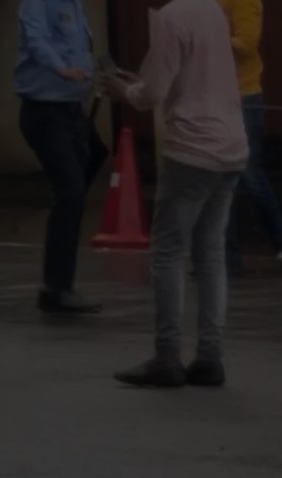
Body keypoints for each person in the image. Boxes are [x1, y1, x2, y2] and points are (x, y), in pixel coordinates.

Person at [101, 0, 247, 388]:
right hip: (230, 146)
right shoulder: (212, 10)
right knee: (210, 252)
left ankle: (167, 357)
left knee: (168, 251)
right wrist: (139, 85)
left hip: (192, 148)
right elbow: (180, 77)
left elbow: (152, 93)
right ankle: (210, 356)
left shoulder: (170, 18)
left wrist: (124, 90)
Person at [16, 0, 108, 315]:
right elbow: (38, 41)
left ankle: (58, 279)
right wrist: (61, 69)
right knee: (70, 191)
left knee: (90, 165)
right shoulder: (36, 3)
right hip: (45, 111)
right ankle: (57, 289)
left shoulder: (76, 5)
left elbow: (81, 51)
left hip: (72, 112)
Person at [218, 0, 282, 268]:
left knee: (249, 172)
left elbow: (246, 43)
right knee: (220, 177)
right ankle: (227, 257)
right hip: (216, 94)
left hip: (243, 95)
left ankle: (279, 239)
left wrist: (208, 41)